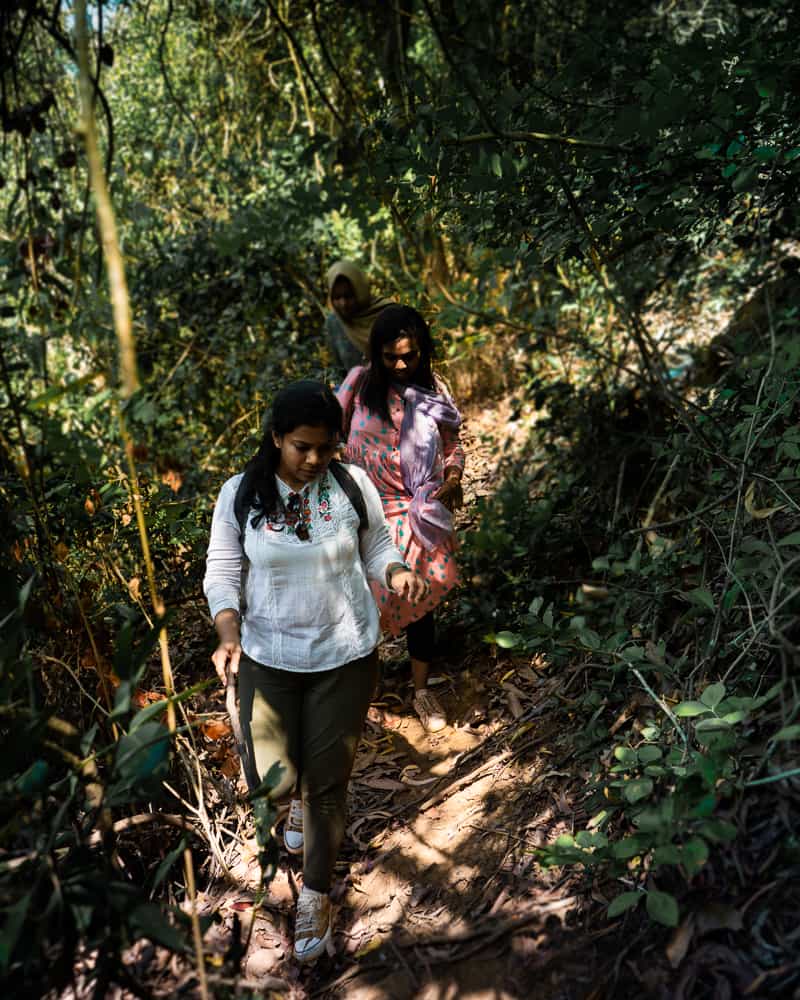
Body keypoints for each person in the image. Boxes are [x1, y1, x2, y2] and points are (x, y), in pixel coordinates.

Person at [203, 380, 427, 963]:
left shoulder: (351, 485)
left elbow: (377, 544)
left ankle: (317, 895)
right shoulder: (240, 494)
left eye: (326, 448)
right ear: (276, 438)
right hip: (267, 654)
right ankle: (294, 796)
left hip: (345, 653)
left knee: (326, 785)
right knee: (273, 780)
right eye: (301, 447)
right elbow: (223, 571)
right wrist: (227, 632)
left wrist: (395, 571)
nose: (313, 460)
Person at [336, 305, 465, 733]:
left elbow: (452, 445)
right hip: (365, 512)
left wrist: (453, 476)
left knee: (421, 600)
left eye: (410, 355)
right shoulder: (359, 384)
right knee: (361, 602)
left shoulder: (432, 391)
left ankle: (422, 690)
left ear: (422, 351)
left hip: (417, 511)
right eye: (392, 357)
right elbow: (327, 433)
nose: (401, 365)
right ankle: (359, 697)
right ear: (377, 353)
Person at [323, 259, 394, 377]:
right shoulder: (334, 323)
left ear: (360, 290)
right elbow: (339, 370)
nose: (343, 303)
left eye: (348, 296)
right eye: (337, 297)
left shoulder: (387, 313)